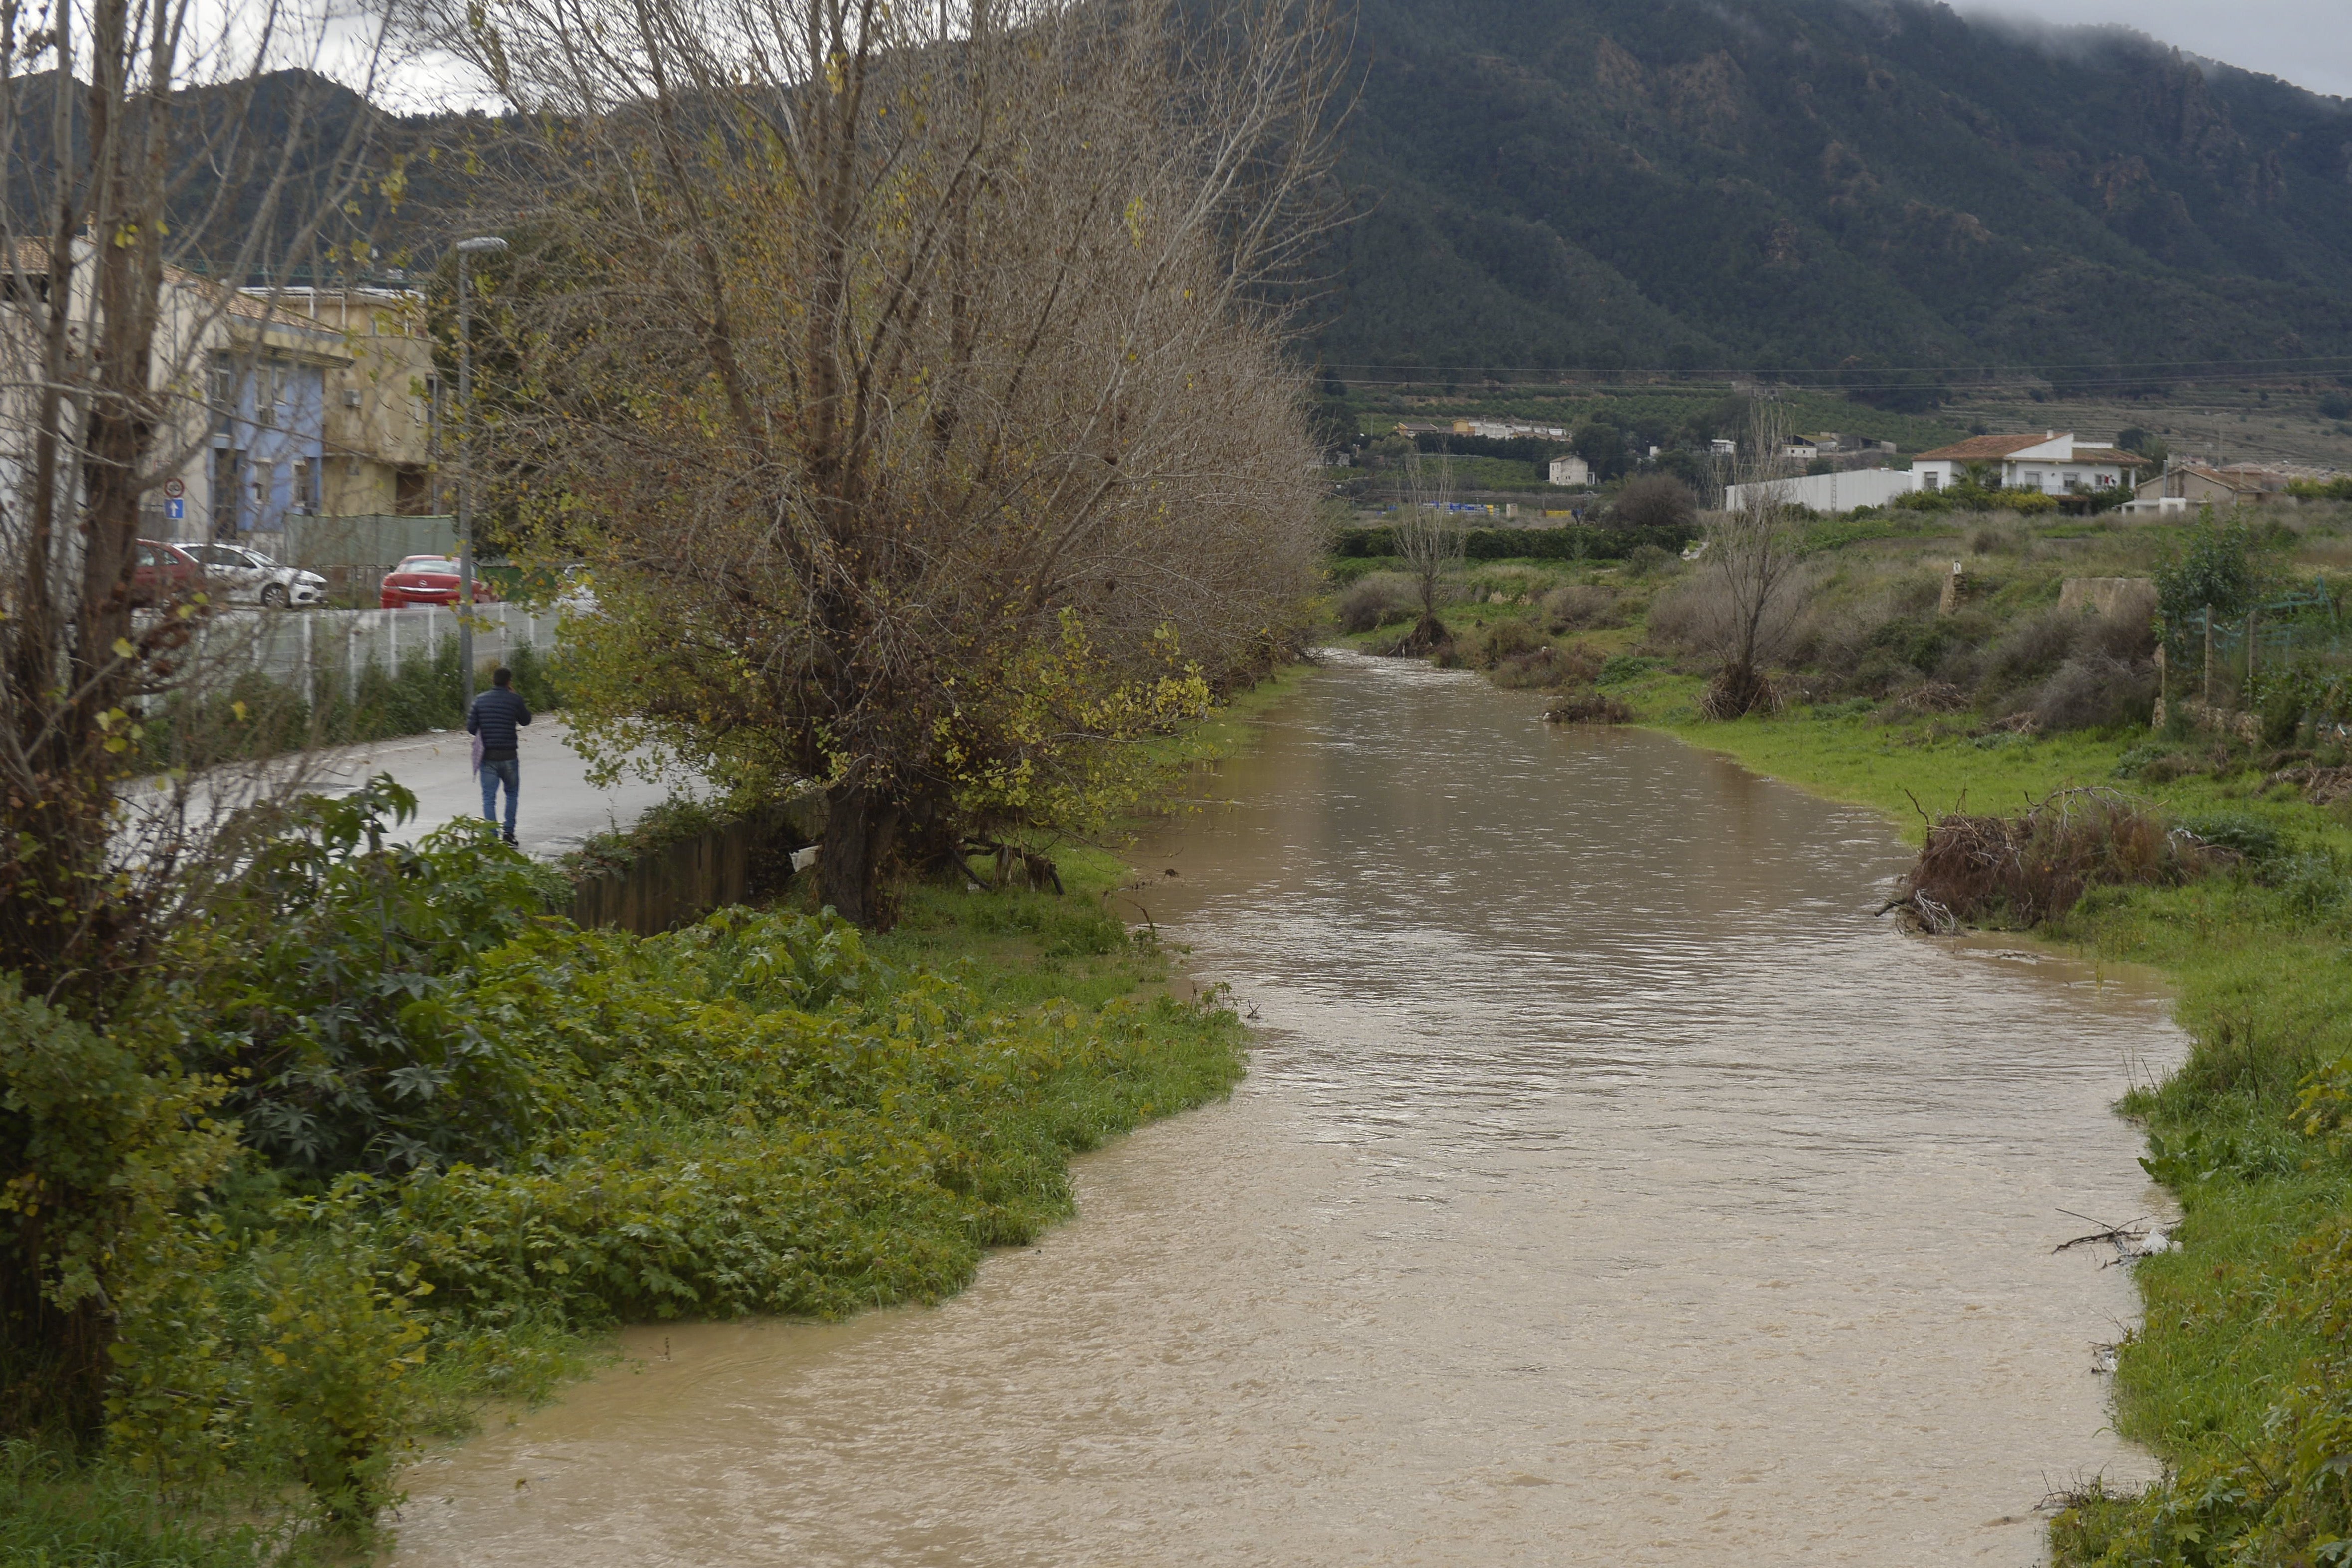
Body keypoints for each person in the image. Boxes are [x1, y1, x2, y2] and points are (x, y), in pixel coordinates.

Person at [467, 667, 533, 845]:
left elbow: (471, 729)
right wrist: (515, 698)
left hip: (488, 757)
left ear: (493, 681)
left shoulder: (480, 701)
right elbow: (526, 721)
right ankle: (509, 835)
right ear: (509, 682)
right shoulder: (515, 700)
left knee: (489, 798)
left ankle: (491, 837)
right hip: (510, 756)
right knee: (511, 794)